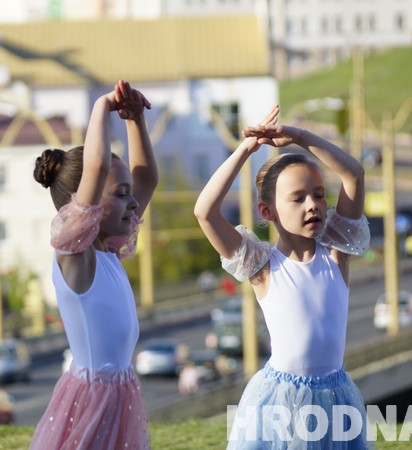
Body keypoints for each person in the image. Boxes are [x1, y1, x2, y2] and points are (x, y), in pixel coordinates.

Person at [194, 105, 371, 449]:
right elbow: (205, 212)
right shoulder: (263, 266)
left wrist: (301, 138)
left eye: (319, 195)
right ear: (267, 210)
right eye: (298, 198)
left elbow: (354, 176)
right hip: (281, 402)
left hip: (336, 397)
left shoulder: (337, 252)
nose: (313, 205)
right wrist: (247, 148)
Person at [29, 80, 157, 450]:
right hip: (91, 399)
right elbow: (98, 165)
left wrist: (135, 121)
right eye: (120, 195)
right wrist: (103, 105)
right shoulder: (76, 257)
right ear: (81, 205)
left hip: (120, 390)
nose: (133, 204)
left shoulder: (109, 250)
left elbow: (146, 177)